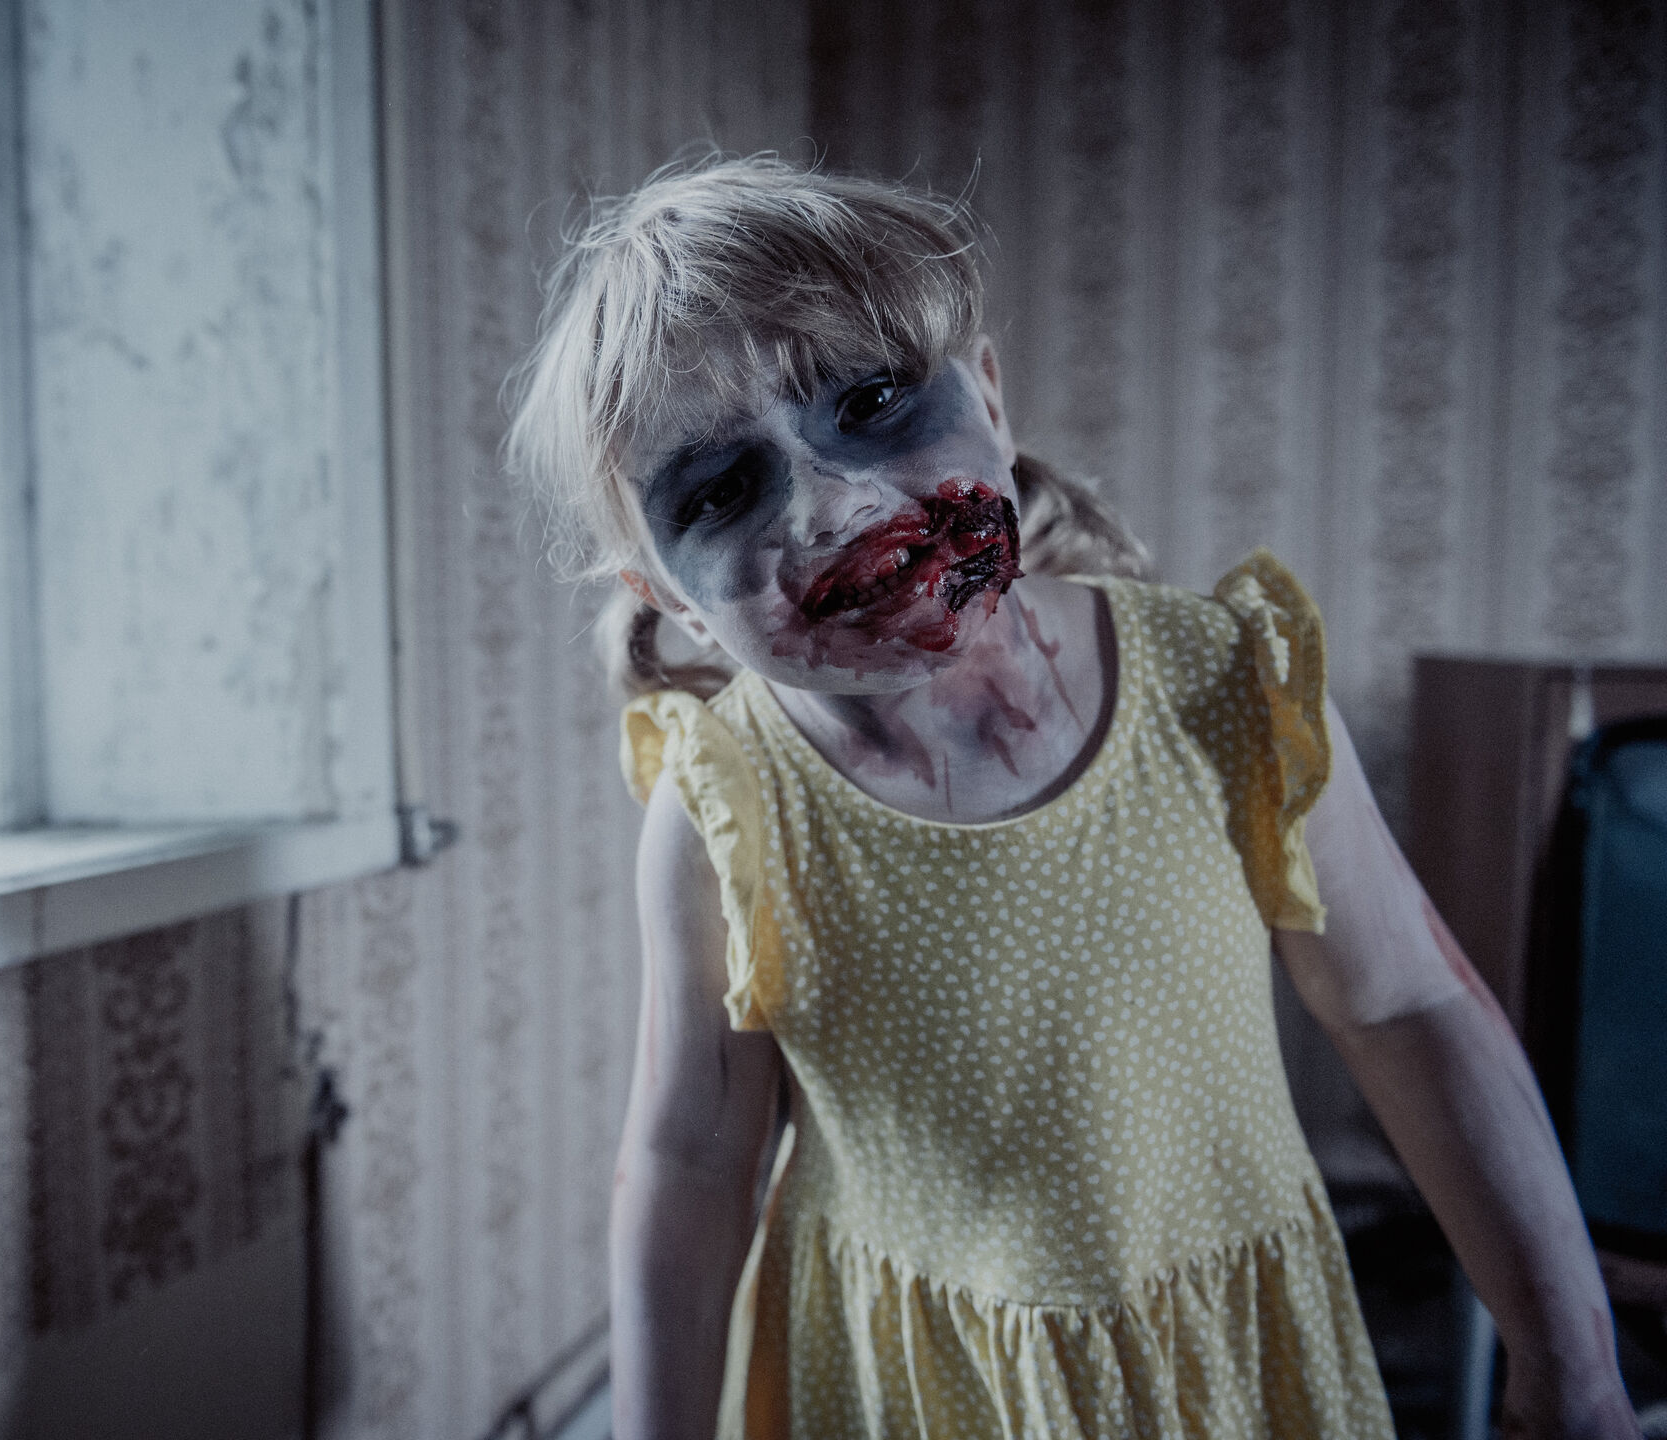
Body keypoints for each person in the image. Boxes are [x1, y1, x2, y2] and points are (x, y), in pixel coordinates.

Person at [504, 155, 1639, 1439]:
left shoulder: (1225, 685)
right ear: (667, 591)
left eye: (872, 402)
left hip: (1221, 1356)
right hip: (908, 1383)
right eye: (721, 491)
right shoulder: (729, 807)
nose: (832, 502)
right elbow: (690, 1162)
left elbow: (1407, 1003)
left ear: (988, 394)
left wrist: (1573, 1361)